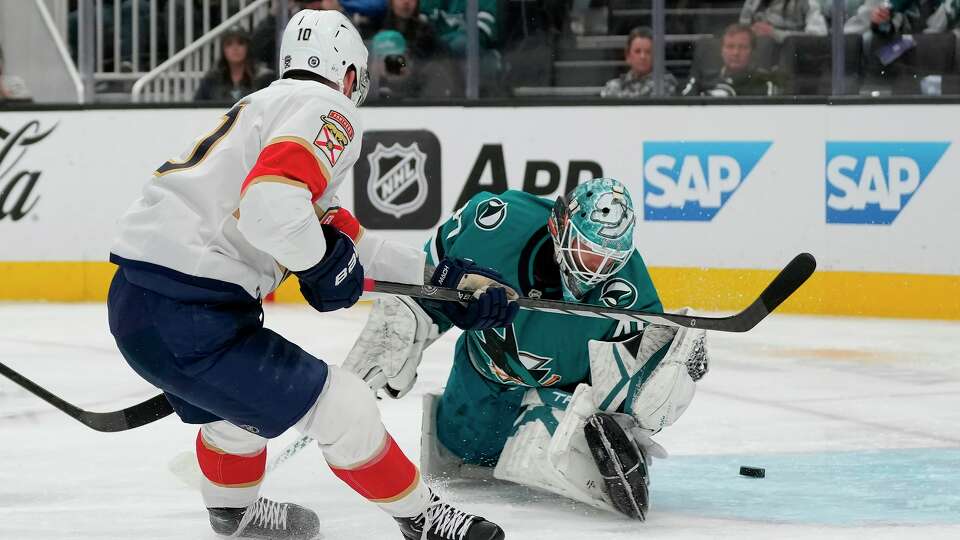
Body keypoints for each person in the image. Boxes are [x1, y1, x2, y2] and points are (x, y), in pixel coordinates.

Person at [107, 10, 517, 540]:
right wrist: (323, 264)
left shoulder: (267, 107)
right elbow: (270, 206)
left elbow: (349, 241)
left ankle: (234, 514)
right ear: (348, 74)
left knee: (234, 412)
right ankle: (423, 518)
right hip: (190, 312)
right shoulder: (328, 108)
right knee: (342, 405)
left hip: (142, 303)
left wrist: (445, 283)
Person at [344, 178, 711, 521]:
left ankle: (587, 438)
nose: (594, 269)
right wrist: (409, 328)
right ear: (561, 226)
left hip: (570, 394)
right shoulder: (494, 221)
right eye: (586, 250)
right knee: (465, 458)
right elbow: (428, 280)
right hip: (486, 374)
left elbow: (647, 380)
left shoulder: (630, 290)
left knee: (605, 428)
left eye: (608, 260)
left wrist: (676, 364)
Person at [682, 24, 781, 97]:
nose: (736, 53)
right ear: (722, 50)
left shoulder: (765, 83)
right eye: (730, 47)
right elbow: (683, 107)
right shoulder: (703, 79)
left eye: (743, 47)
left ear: (752, 52)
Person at [195, 26, 273, 102]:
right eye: (229, 44)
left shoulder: (264, 78)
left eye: (240, 43)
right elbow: (197, 108)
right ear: (223, 50)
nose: (235, 48)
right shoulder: (211, 80)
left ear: (248, 47)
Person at [601, 27, 678, 98]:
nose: (643, 56)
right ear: (628, 56)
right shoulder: (612, 87)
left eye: (648, 52)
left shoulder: (666, 85)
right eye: (637, 51)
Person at [739, 0, 829, 42]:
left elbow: (819, 34)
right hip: (755, 53)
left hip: (791, 57)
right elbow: (741, 27)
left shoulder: (808, 2)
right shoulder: (753, 2)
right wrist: (750, 31)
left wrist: (777, 34)